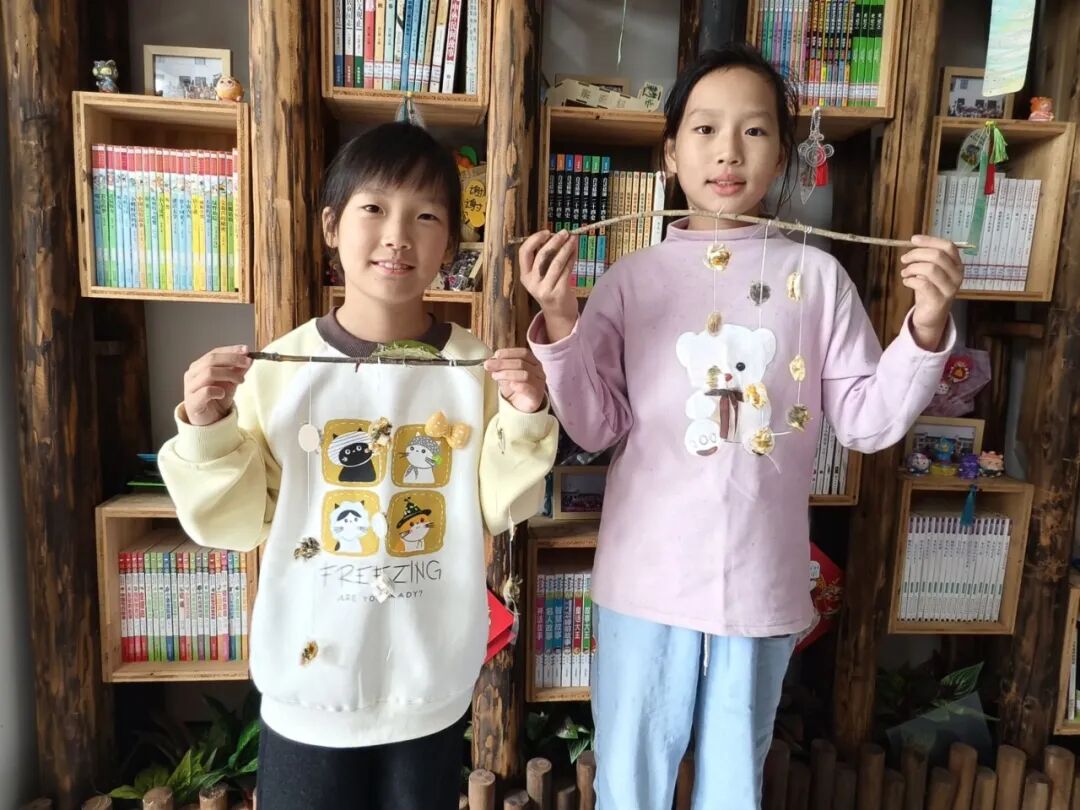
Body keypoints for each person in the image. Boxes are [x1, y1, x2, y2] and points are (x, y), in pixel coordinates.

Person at [519, 44, 963, 809]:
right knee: (630, 780)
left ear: (782, 156)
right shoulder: (630, 280)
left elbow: (866, 420)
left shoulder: (816, 278)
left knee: (732, 785)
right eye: (705, 129)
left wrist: (925, 326)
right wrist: (560, 318)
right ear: (670, 153)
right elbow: (594, 424)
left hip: (759, 582)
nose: (727, 151)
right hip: (646, 579)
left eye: (754, 131)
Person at [159, 121, 558, 809]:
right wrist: (207, 427)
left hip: (429, 683)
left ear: (449, 247)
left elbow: (501, 506)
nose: (398, 235)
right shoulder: (280, 370)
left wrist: (525, 415)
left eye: (426, 216)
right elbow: (235, 523)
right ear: (331, 226)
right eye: (374, 207)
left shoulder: (474, 368)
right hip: (308, 688)